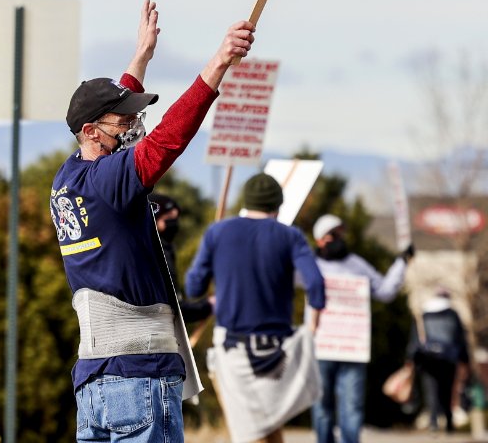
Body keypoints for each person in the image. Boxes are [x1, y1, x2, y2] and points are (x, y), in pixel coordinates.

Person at [49, 0, 255, 443]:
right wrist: (218, 64)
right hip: (140, 377)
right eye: (125, 121)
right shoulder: (111, 181)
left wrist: (140, 56)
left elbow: (117, 121)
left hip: (94, 385)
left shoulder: (68, 180)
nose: (133, 126)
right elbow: (168, 139)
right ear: (91, 132)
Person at [184, 174, 326, 443]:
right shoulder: (290, 235)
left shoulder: (218, 231)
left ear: (246, 202)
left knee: (250, 432)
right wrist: (312, 328)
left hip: (233, 348)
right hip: (278, 350)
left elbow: (193, 288)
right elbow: (316, 284)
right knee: (271, 425)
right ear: (278, 205)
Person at [309, 213, 412, 443]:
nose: (338, 239)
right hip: (322, 347)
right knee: (321, 404)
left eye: (340, 234)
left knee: (351, 405)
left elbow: (385, 291)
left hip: (351, 349)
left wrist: (401, 263)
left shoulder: (356, 264)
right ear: (319, 240)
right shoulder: (310, 265)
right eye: (331, 235)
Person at [408, 287, 471, 432]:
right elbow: (460, 338)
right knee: (447, 389)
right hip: (449, 357)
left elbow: (415, 337)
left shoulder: (424, 314)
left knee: (431, 389)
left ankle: (434, 421)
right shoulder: (453, 314)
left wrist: (411, 356)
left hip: (428, 357)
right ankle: (448, 421)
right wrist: (464, 359)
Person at [149, 193, 212, 324]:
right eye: (169, 219)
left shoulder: (165, 249)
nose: (174, 224)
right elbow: (169, 307)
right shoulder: (153, 254)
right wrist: (206, 306)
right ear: (154, 219)